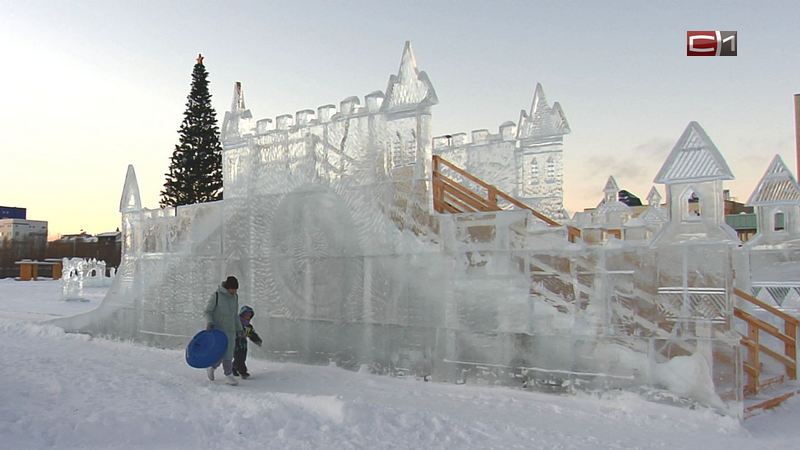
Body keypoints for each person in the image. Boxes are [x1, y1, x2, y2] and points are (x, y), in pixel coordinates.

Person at [204, 275, 244, 385]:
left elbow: (235, 315)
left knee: (229, 353)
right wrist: (210, 322)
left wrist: (239, 329)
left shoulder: (235, 297)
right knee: (220, 353)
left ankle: (228, 374)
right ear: (227, 287)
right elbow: (208, 311)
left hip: (230, 330)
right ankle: (212, 367)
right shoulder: (216, 295)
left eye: (236, 289)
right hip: (218, 330)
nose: (234, 291)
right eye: (233, 289)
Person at [232, 305, 263, 379]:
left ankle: (234, 368)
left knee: (242, 358)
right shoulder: (237, 323)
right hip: (236, 343)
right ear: (242, 314)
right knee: (239, 358)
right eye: (246, 314)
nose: (248, 316)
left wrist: (257, 340)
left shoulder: (248, 326)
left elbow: (251, 334)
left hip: (243, 344)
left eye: (249, 315)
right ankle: (243, 372)